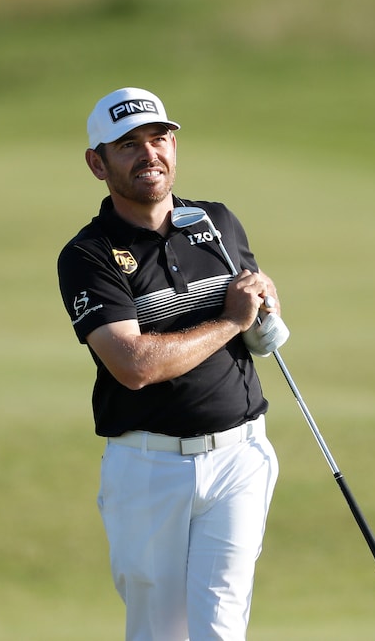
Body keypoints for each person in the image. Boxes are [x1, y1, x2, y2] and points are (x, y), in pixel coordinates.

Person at [56, 86, 290, 641]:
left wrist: (262, 307)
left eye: (159, 138)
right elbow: (133, 364)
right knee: (159, 632)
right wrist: (230, 320)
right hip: (148, 469)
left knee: (220, 627)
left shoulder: (217, 223)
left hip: (240, 457)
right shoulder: (88, 254)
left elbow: (261, 339)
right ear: (97, 163)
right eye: (128, 144)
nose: (149, 154)